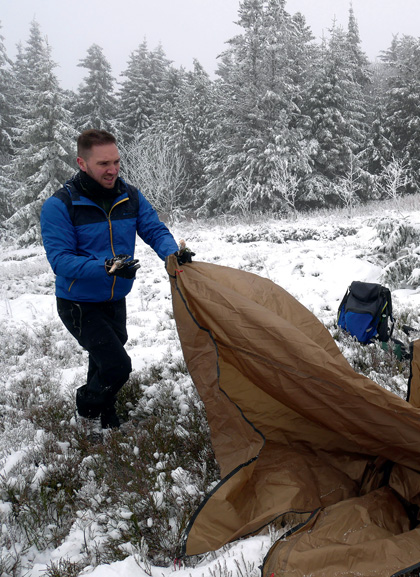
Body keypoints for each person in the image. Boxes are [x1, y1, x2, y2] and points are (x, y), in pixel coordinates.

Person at [40, 129, 192, 434]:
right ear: (82, 163)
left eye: (116, 162)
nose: (112, 170)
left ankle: (105, 416)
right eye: (103, 164)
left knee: (103, 359)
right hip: (78, 302)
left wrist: (172, 254)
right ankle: (86, 411)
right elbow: (61, 260)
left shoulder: (129, 196)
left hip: (115, 296)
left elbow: (154, 229)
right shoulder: (60, 206)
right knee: (117, 366)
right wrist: (107, 267)